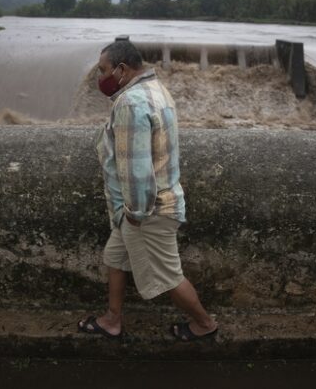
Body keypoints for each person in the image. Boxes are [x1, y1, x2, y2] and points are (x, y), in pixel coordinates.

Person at [78, 40, 218, 342]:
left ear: (122, 69)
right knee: (115, 257)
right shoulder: (157, 89)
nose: (101, 78)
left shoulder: (130, 103)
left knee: (167, 277)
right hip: (139, 208)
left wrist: (136, 215)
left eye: (103, 70)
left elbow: (137, 170)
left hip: (146, 211)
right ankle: (112, 320)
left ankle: (205, 325)